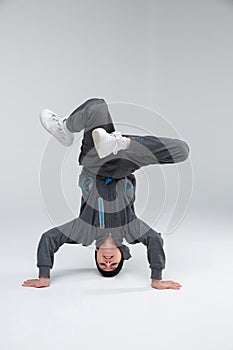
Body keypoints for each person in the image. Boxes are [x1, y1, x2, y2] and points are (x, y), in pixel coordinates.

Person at [22, 98, 190, 290]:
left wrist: (44, 276)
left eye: (102, 264)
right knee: (182, 151)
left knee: (96, 106)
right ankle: (120, 142)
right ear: (121, 255)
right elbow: (154, 240)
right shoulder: (131, 229)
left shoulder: (83, 231)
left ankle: (67, 128)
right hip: (124, 163)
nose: (107, 261)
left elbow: (48, 239)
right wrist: (157, 279)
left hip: (94, 162)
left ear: (96, 254)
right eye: (113, 264)